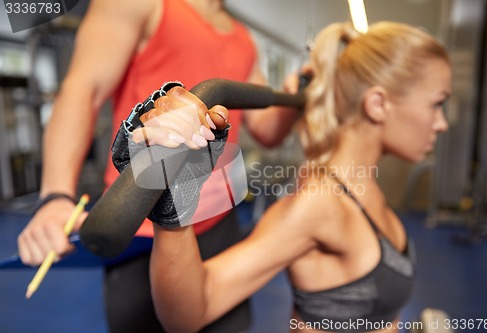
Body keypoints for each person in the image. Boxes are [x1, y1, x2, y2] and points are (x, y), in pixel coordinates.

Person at [137, 21, 451, 332]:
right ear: (378, 104)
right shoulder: (321, 204)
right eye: (437, 104)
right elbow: (193, 310)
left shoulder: (363, 180)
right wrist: (172, 193)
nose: (441, 123)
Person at [16, 0, 299, 332]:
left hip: (220, 222)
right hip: (146, 223)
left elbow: (267, 130)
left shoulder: (242, 37)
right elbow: (83, 89)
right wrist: (55, 197)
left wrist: (295, 98)